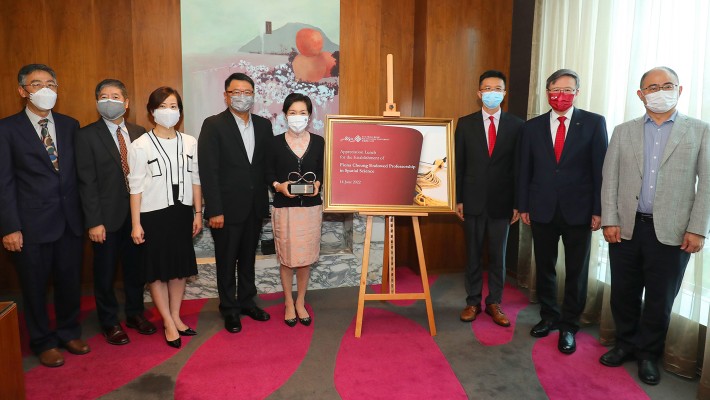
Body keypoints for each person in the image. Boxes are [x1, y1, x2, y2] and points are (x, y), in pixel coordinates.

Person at [600, 67, 710, 385]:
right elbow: (611, 179)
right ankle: (625, 344)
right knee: (624, 292)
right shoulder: (623, 131)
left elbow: (706, 185)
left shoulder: (699, 131)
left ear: (679, 89)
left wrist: (697, 228)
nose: (660, 91)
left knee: (661, 298)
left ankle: (648, 354)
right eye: (652, 87)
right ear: (641, 94)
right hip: (627, 227)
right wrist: (610, 219)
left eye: (667, 86)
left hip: (673, 231)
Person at [0, 64, 89, 367]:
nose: (45, 89)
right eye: (37, 84)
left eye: (51, 83)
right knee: (34, 287)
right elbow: (4, 182)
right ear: (22, 91)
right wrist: (10, 227)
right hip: (31, 225)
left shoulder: (70, 125)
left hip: (69, 221)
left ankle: (68, 332)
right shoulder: (6, 129)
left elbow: (77, 175)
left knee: (69, 281)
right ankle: (42, 341)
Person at [518, 69, 608, 354]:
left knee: (576, 271)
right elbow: (525, 171)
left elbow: (599, 171)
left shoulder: (594, 123)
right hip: (541, 208)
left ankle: (569, 325)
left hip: (579, 210)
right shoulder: (532, 127)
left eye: (569, 90)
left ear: (577, 93)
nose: (562, 95)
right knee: (544, 267)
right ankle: (549, 316)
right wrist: (524, 205)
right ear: (547, 93)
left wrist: (598, 209)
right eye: (556, 89)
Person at [75, 79, 157, 346]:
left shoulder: (140, 131)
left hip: (137, 217)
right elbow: (86, 183)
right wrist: (94, 222)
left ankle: (135, 314)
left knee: (136, 270)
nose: (110, 100)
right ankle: (109, 321)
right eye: (104, 96)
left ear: (127, 102)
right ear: (97, 101)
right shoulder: (86, 135)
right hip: (105, 219)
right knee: (105, 273)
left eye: (115, 96)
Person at [198, 73, 273, 333]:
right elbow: (209, 171)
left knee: (248, 259)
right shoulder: (213, 125)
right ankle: (229, 308)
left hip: (254, 207)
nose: (242, 97)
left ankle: (247, 301)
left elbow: (264, 167)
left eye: (247, 92)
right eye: (236, 92)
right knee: (227, 260)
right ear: (226, 95)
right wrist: (214, 209)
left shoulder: (264, 126)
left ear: (253, 95)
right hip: (226, 210)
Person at [128, 87, 202, 349]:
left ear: (180, 112)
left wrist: (198, 212)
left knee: (179, 270)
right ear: (152, 111)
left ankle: (177, 315)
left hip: (181, 213)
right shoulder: (140, 145)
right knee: (158, 272)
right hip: (153, 214)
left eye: (174, 106)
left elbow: (195, 179)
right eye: (163, 106)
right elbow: (135, 186)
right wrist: (136, 223)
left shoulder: (190, 142)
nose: (169, 111)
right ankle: (168, 322)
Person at [454, 70, 524, 327]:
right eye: (487, 87)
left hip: (502, 203)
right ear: (479, 93)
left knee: (498, 256)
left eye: (497, 88)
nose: (492, 92)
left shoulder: (517, 126)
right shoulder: (465, 123)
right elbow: (459, 166)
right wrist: (458, 199)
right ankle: (472, 301)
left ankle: (495, 302)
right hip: (471, 201)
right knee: (472, 254)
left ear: (504, 94)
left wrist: (518, 202)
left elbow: (519, 168)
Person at [266, 93, 324, 327]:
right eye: (293, 113)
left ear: (309, 116)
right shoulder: (274, 143)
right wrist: (279, 186)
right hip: (285, 208)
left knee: (305, 258)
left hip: (310, 208)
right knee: (287, 258)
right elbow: (267, 173)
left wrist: (317, 184)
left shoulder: (319, 142)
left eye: (302, 113)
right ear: (285, 115)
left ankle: (301, 301)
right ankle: (288, 302)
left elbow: (321, 170)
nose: (297, 117)